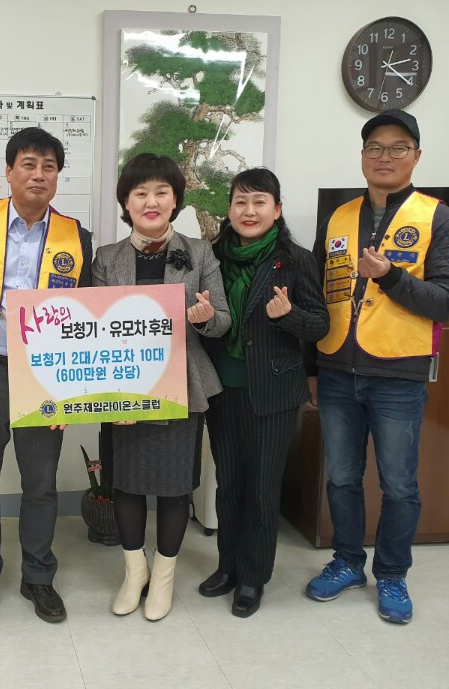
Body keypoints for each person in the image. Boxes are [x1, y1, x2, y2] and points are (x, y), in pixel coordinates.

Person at [304, 109, 449, 624]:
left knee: (398, 483)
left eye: (398, 148)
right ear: (362, 156)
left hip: (398, 374)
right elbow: (317, 297)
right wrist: (312, 367)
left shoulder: (440, 219)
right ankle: (348, 562)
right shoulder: (338, 216)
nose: (384, 157)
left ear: (416, 156)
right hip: (336, 370)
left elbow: (447, 301)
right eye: (375, 147)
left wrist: (391, 276)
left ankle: (392, 574)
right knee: (341, 477)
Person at [0, 127, 92, 626]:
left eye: (49, 167)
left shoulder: (77, 237)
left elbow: (86, 319)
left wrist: (70, 393)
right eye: (28, 164)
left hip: (43, 380)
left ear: (57, 177)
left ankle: (38, 577)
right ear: (8, 171)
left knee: (41, 484)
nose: (38, 175)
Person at [93, 153, 230, 622]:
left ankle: (165, 578)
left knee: (173, 487)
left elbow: (223, 320)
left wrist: (205, 318)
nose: (151, 202)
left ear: (175, 200)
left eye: (161, 192)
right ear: (126, 202)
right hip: (122, 386)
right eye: (140, 193)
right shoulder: (107, 258)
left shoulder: (201, 252)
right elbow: (95, 330)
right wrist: (113, 396)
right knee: (126, 484)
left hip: (181, 385)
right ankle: (135, 573)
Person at [198, 168, 329, 618]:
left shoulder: (295, 259)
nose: (249, 211)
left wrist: (288, 315)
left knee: (262, 488)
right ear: (229, 209)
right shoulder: (212, 256)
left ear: (277, 209)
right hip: (222, 388)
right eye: (240, 202)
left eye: (259, 202)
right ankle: (228, 567)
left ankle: (253, 576)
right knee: (229, 484)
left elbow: (320, 325)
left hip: (273, 392)